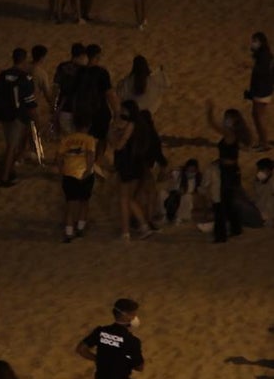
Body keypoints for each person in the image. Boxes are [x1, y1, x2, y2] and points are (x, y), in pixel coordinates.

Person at [205, 101, 252, 242]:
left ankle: (221, 235)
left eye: (227, 118)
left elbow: (212, 124)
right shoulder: (235, 134)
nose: (225, 120)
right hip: (230, 170)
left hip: (228, 173)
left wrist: (210, 111)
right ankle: (236, 229)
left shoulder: (229, 133)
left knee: (220, 203)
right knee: (228, 201)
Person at [111, 101, 155, 240]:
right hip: (136, 165)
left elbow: (119, 145)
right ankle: (144, 227)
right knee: (130, 199)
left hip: (127, 165)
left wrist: (115, 134)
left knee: (124, 199)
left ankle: (126, 232)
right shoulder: (141, 127)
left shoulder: (130, 125)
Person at [0, 48, 38, 186]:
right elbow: (30, 102)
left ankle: (9, 170)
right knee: (12, 147)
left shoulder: (3, 74)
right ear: (24, 60)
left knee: (10, 143)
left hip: (3, 113)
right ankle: (5, 177)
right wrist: (36, 119)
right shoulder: (25, 78)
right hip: (17, 116)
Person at [73, 44, 119, 171]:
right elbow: (109, 94)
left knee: (83, 137)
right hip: (99, 109)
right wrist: (116, 111)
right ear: (98, 56)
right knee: (102, 138)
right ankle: (96, 162)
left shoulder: (80, 72)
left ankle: (81, 161)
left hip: (83, 109)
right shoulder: (102, 73)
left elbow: (75, 93)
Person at [58, 111, 96, 242]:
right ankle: (80, 228)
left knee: (70, 204)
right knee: (84, 202)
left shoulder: (67, 139)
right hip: (84, 173)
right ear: (89, 125)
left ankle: (68, 232)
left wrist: (61, 170)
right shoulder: (89, 139)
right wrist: (89, 169)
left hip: (69, 174)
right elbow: (90, 155)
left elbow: (59, 157)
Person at [52, 42, 87, 135]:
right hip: (80, 109)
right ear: (82, 55)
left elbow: (56, 87)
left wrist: (54, 107)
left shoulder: (62, 67)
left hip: (64, 107)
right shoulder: (84, 70)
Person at [247, 32, 273, 151]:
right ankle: (263, 141)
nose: (252, 43)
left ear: (261, 42)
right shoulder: (264, 55)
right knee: (257, 115)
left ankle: (264, 143)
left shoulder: (264, 57)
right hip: (263, 89)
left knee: (259, 117)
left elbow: (261, 74)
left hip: (261, 91)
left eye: (255, 41)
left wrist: (253, 92)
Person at [163, 158, 204, 224]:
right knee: (169, 196)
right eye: (190, 168)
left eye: (193, 169)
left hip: (188, 194)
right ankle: (169, 216)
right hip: (176, 192)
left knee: (187, 197)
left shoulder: (198, 176)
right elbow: (167, 176)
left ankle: (180, 217)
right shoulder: (180, 174)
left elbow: (198, 189)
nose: (191, 171)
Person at [253, 158, 274, 225]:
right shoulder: (259, 178)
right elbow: (261, 180)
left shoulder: (270, 178)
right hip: (263, 208)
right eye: (259, 170)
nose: (258, 171)